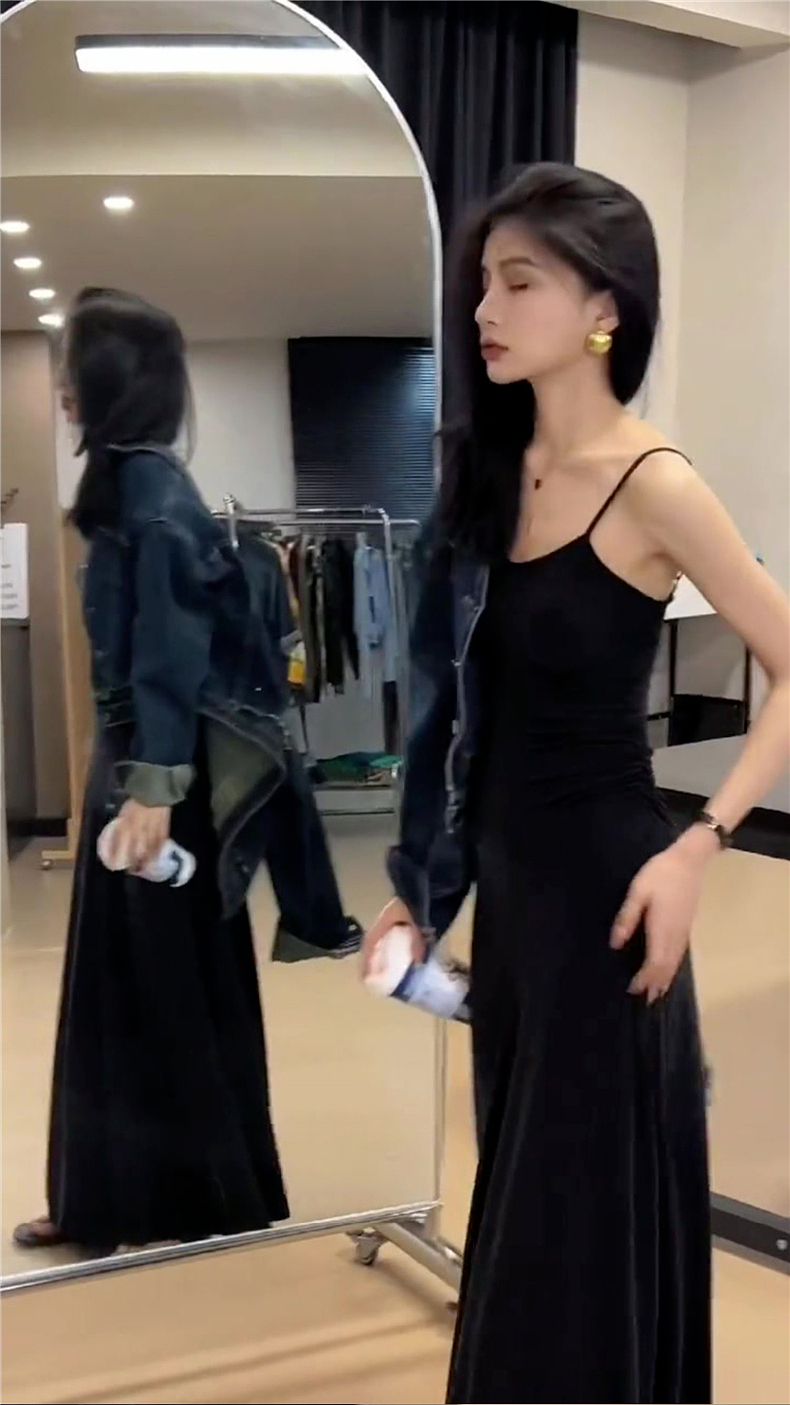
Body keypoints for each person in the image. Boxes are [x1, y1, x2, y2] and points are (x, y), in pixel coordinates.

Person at [363, 164, 790, 1403]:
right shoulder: (482, 472)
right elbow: (452, 721)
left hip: (611, 894)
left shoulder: (653, 481)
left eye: (518, 283)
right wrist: (420, 892)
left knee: (576, 1207)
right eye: (480, 285)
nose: (483, 310)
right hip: (512, 894)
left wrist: (698, 845)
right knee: (525, 1191)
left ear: (603, 306)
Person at [13, 288, 296, 1252]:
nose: (62, 387)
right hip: (139, 764)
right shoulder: (134, 489)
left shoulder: (154, 500)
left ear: (108, 380)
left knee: (157, 981)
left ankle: (181, 1196)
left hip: (154, 775)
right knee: (127, 981)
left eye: (73, 367)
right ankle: (122, 1197)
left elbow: (171, 653)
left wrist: (152, 787)